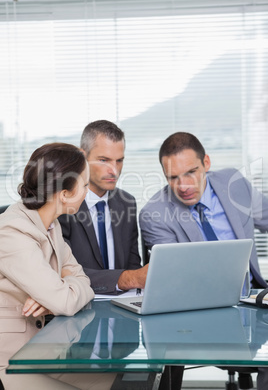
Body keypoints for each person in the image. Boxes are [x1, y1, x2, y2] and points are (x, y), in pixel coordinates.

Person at [139, 131, 268, 390]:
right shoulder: (154, 214)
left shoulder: (235, 183)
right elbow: (177, 280)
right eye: (173, 177)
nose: (183, 185)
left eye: (191, 172)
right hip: (199, 314)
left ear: (206, 163)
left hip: (255, 301)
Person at [0, 143, 116, 390]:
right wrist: (58, 292)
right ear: (64, 194)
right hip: (9, 362)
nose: (87, 191)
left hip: (41, 353)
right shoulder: (12, 232)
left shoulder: (52, 224)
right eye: (84, 185)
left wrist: (54, 291)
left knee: (116, 381)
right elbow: (65, 301)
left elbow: (82, 280)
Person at [59, 120, 148, 294]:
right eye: (103, 160)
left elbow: (133, 265)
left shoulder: (126, 202)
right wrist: (126, 279)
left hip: (123, 306)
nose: (114, 171)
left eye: (119, 161)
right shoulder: (63, 205)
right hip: (78, 305)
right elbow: (62, 272)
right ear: (82, 157)